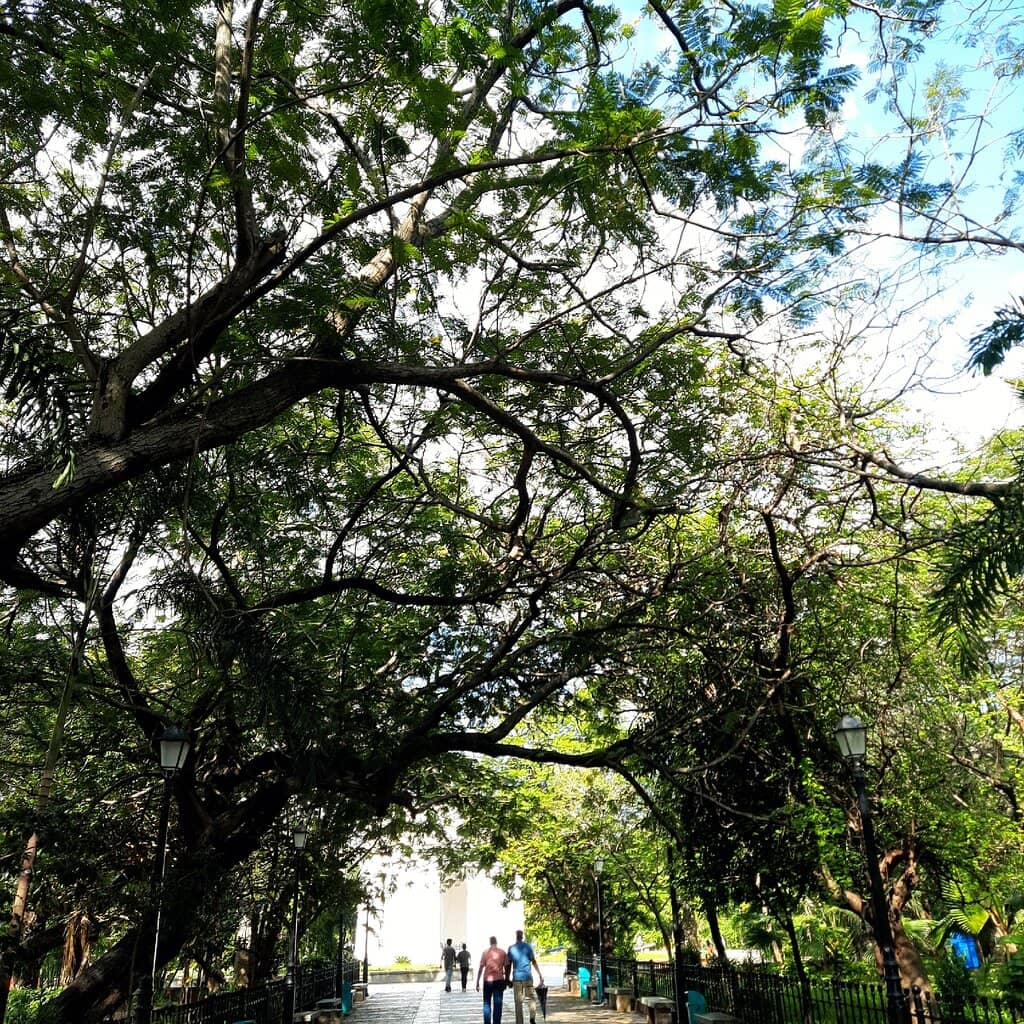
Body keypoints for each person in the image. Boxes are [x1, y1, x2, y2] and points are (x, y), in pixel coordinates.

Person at [506, 929, 544, 1024]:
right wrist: (539, 974)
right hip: (527, 977)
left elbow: (508, 964)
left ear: (516, 936)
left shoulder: (511, 948)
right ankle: (532, 1017)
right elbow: (533, 961)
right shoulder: (528, 947)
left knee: (518, 1002)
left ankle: (519, 1022)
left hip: (517, 978)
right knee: (531, 998)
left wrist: (507, 979)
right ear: (522, 936)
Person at [476, 934, 509, 1024]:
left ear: (490, 942)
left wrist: (477, 981)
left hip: (487, 981)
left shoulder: (485, 952)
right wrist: (506, 979)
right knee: (498, 1004)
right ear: (496, 942)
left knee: (487, 1004)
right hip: (499, 980)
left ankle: (487, 1023)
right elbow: (507, 966)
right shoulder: (502, 952)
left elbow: (481, 967)